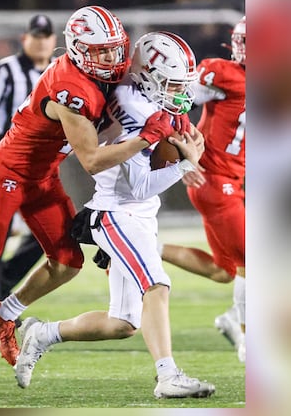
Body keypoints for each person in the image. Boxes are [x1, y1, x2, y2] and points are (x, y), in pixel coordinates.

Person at [0, 5, 188, 384]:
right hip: (7, 173)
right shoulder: (70, 89)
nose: (111, 59)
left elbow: (142, 89)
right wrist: (148, 136)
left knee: (67, 262)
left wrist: (177, 120)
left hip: (42, 176)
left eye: (115, 49)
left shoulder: (104, 71)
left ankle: (4, 315)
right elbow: (92, 160)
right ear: (77, 50)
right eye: (101, 52)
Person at [13, 31, 215, 399]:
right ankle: (167, 376)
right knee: (157, 283)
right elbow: (138, 186)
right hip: (117, 213)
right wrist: (185, 165)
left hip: (136, 213)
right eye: (170, 84)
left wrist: (181, 138)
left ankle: (42, 333)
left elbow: (170, 122)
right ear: (148, 75)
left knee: (122, 324)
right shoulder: (137, 111)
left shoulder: (133, 92)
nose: (178, 93)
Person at [159, 16, 247, 362]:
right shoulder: (223, 74)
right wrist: (181, 156)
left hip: (232, 181)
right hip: (213, 180)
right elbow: (170, 104)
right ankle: (247, 339)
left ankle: (148, 248)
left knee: (222, 271)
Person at [0, 14, 57, 325]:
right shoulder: (6, 69)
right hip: (6, 164)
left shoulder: (57, 71)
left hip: (41, 169)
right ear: (25, 39)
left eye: (46, 35)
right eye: (36, 35)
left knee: (45, 235)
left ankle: (3, 284)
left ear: (53, 40)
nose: (41, 41)